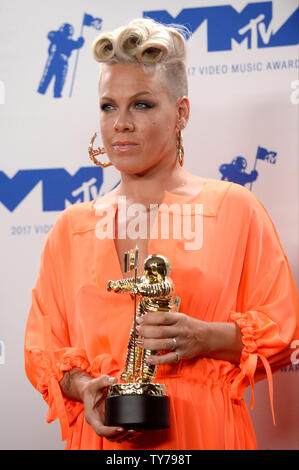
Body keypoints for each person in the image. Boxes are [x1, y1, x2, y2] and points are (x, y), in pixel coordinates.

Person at [24, 18, 299, 450]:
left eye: (142, 105)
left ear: (181, 113)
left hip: (205, 432)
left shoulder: (234, 209)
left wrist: (203, 337)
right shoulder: (70, 229)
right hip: (105, 441)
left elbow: (281, 332)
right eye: (108, 106)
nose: (121, 124)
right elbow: (45, 350)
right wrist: (83, 388)